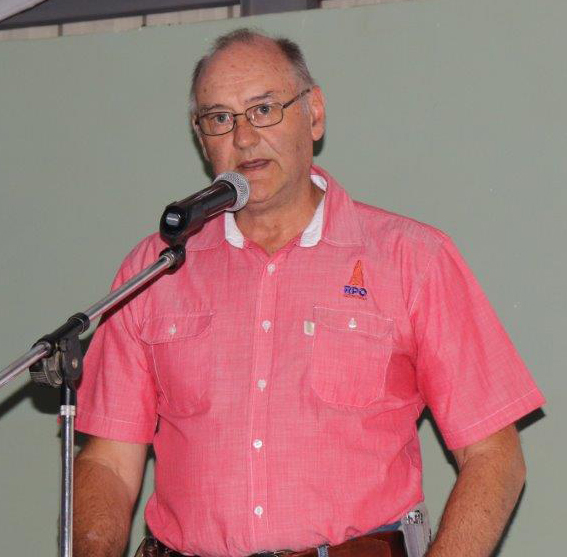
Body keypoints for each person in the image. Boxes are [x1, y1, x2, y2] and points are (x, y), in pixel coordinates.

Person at [73, 28, 545, 557]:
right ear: (202, 138)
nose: (244, 138)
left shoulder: (412, 260)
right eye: (220, 118)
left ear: (314, 114)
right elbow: (109, 464)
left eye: (264, 109)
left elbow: (495, 457)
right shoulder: (155, 271)